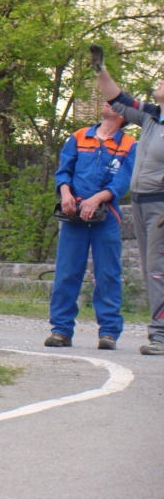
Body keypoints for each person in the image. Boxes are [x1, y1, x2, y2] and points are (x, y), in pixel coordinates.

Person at [90, 44, 164, 356]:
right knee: (151, 269)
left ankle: (160, 335)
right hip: (142, 202)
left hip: (161, 205)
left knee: (159, 269)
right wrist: (100, 70)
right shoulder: (151, 116)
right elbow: (117, 100)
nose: (160, 81)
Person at [45, 103, 136, 350]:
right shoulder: (78, 136)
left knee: (108, 274)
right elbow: (63, 171)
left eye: (113, 102)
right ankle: (61, 330)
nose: (106, 102)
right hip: (74, 215)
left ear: (122, 114)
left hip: (106, 218)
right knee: (67, 272)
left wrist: (96, 200)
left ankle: (109, 332)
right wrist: (65, 194)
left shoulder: (130, 145)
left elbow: (122, 183)